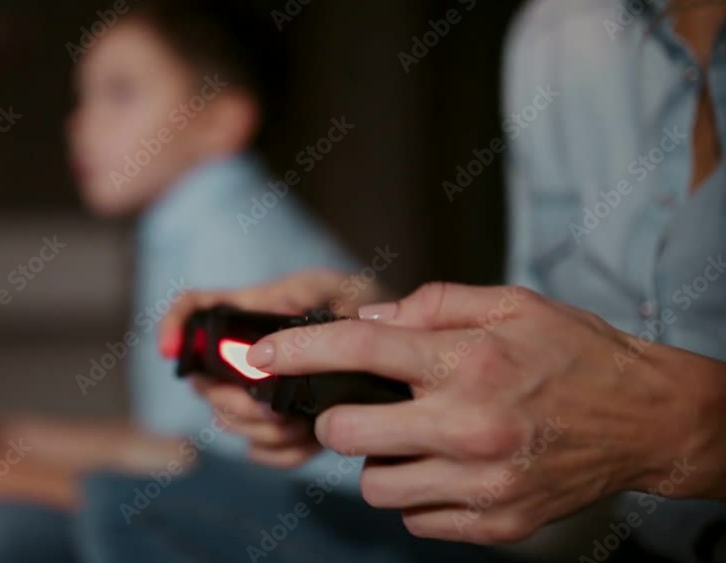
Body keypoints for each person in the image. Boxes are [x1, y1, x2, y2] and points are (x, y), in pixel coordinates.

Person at [88, 0, 726, 561]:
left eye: (119, 92)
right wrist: (378, 335)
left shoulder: (219, 223)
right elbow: (546, 357)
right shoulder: (561, 34)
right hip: (614, 539)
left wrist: (676, 429)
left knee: (129, 509)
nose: (80, 123)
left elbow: (168, 462)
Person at [0, 0, 371, 560]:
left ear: (220, 121)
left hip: (341, 524)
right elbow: (175, 452)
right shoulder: (188, 221)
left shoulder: (229, 235)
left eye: (121, 92)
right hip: (264, 501)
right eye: (83, 97)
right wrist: (18, 437)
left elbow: (191, 487)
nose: (80, 123)